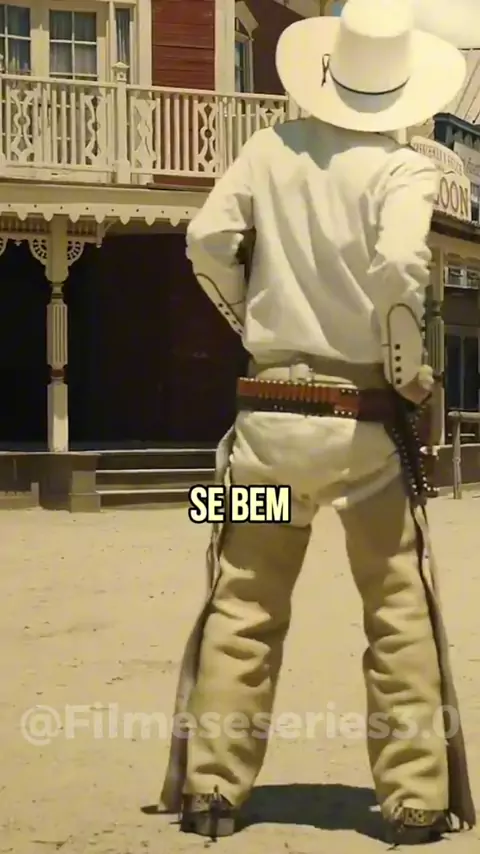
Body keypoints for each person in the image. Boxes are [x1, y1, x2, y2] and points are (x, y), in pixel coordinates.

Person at [159, 0, 476, 845]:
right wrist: (407, 370)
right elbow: (400, 263)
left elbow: (205, 239)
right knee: (397, 608)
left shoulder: (269, 149)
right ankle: (413, 799)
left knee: (242, 602)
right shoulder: (404, 169)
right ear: (402, 89)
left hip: (266, 424)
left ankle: (213, 790)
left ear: (329, 72)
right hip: (362, 429)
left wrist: (252, 325)